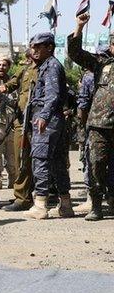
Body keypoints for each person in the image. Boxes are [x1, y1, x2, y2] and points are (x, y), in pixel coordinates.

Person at [67, 14, 114, 220]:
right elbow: (75, 53)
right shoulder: (101, 63)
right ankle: (95, 204)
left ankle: (112, 202)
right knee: (96, 164)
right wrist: (79, 26)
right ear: (111, 46)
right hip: (99, 125)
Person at [25, 32, 73, 219]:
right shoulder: (47, 66)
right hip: (54, 118)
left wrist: (43, 116)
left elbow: (52, 96)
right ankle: (66, 204)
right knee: (58, 162)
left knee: (41, 158)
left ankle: (41, 205)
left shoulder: (51, 66)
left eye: (38, 47)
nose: (34, 50)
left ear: (49, 47)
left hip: (47, 118)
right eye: (33, 46)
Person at [0, 48, 38, 211]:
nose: (29, 60)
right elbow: (12, 83)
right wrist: (4, 88)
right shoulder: (25, 70)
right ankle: (22, 197)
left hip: (37, 121)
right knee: (20, 159)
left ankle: (39, 195)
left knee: (38, 160)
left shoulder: (48, 68)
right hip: (21, 121)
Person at [0, 56, 18, 191]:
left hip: (11, 123)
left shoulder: (13, 83)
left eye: (4, 65)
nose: (2, 67)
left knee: (12, 154)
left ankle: (13, 179)